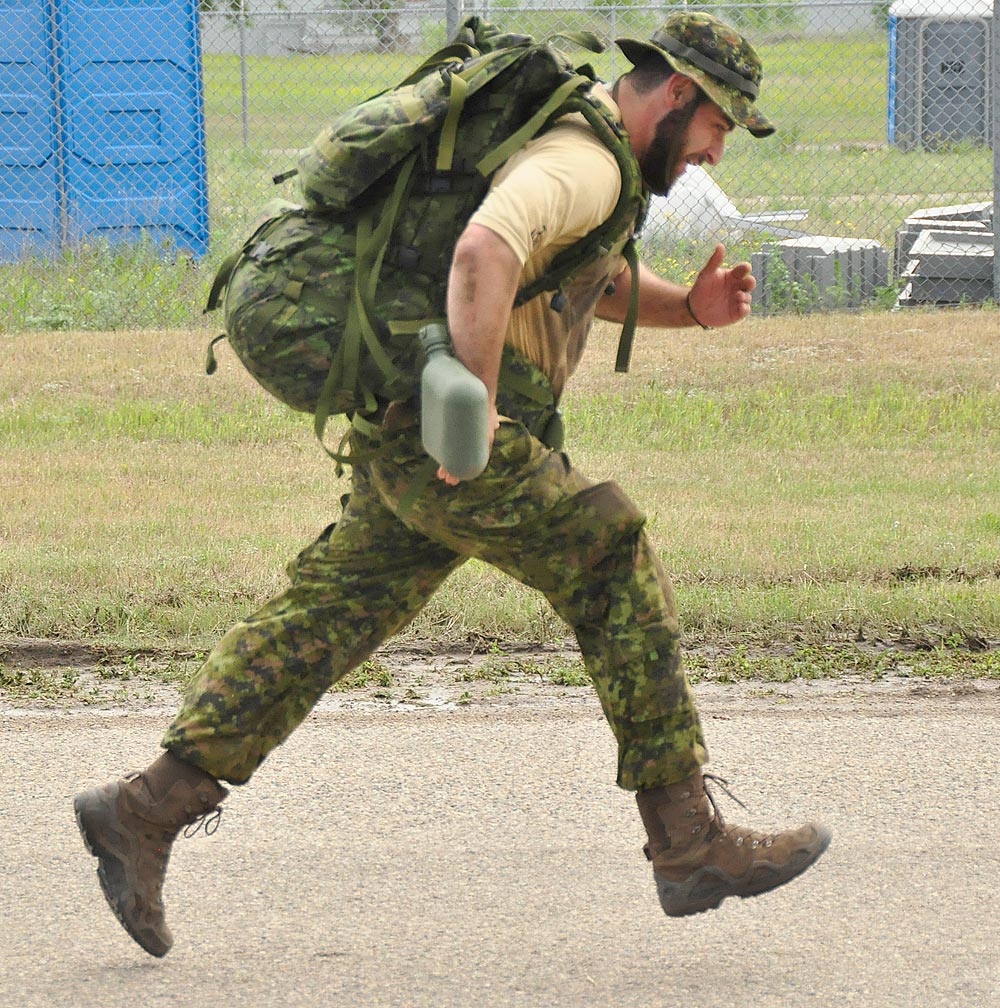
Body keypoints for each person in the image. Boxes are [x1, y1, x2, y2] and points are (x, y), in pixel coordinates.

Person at [74, 11, 831, 958]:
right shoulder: (589, 160)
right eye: (723, 123)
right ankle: (689, 843)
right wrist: (470, 418)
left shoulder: (583, 149)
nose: (719, 150)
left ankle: (142, 811)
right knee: (609, 554)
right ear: (677, 94)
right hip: (446, 432)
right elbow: (485, 252)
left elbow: (574, 274)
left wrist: (693, 308)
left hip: (413, 424)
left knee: (323, 618)